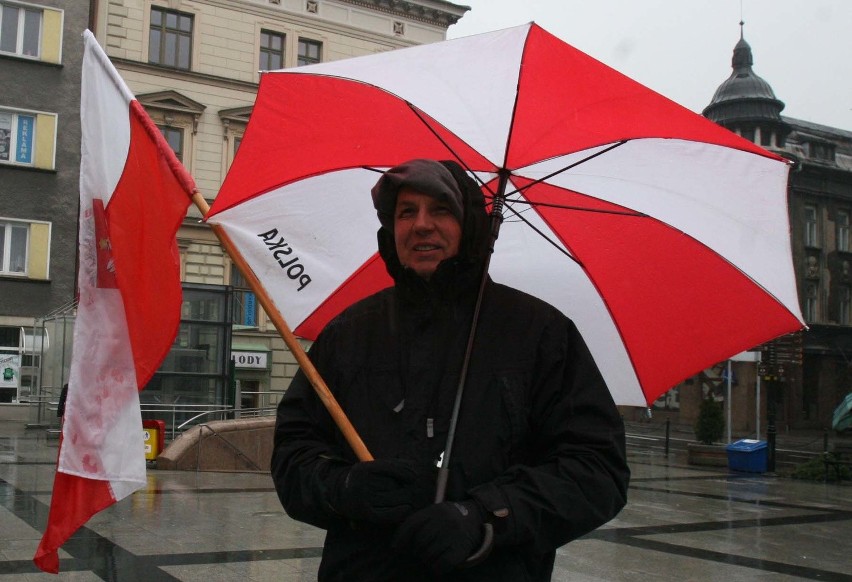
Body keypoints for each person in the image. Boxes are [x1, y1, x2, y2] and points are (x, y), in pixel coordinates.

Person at [271, 159, 629, 581]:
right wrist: (344, 488)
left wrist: (486, 517)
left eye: (441, 208)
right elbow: (294, 452)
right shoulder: (348, 334)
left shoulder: (540, 334)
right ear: (391, 230)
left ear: (471, 225)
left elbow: (596, 470)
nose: (422, 225)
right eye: (407, 212)